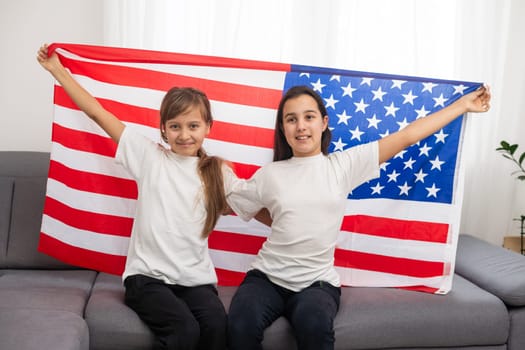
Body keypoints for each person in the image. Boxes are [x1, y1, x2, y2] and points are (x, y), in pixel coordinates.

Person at [226, 84, 491, 350]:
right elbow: (235, 201)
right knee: (239, 325)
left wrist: (462, 106)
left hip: (316, 284)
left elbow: (407, 137)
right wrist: (213, 167)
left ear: (323, 122)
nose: (301, 126)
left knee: (315, 327)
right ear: (283, 129)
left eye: (309, 117)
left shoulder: (343, 166)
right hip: (266, 278)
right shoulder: (271, 174)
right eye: (291, 119)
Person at [37, 43, 237, 350]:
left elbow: (254, 202)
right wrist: (57, 70)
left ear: (208, 127)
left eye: (193, 125)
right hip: (147, 279)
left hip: (195, 281)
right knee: (184, 331)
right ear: (163, 130)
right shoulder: (149, 157)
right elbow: (97, 113)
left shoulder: (217, 172)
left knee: (217, 327)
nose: (184, 134)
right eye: (175, 126)